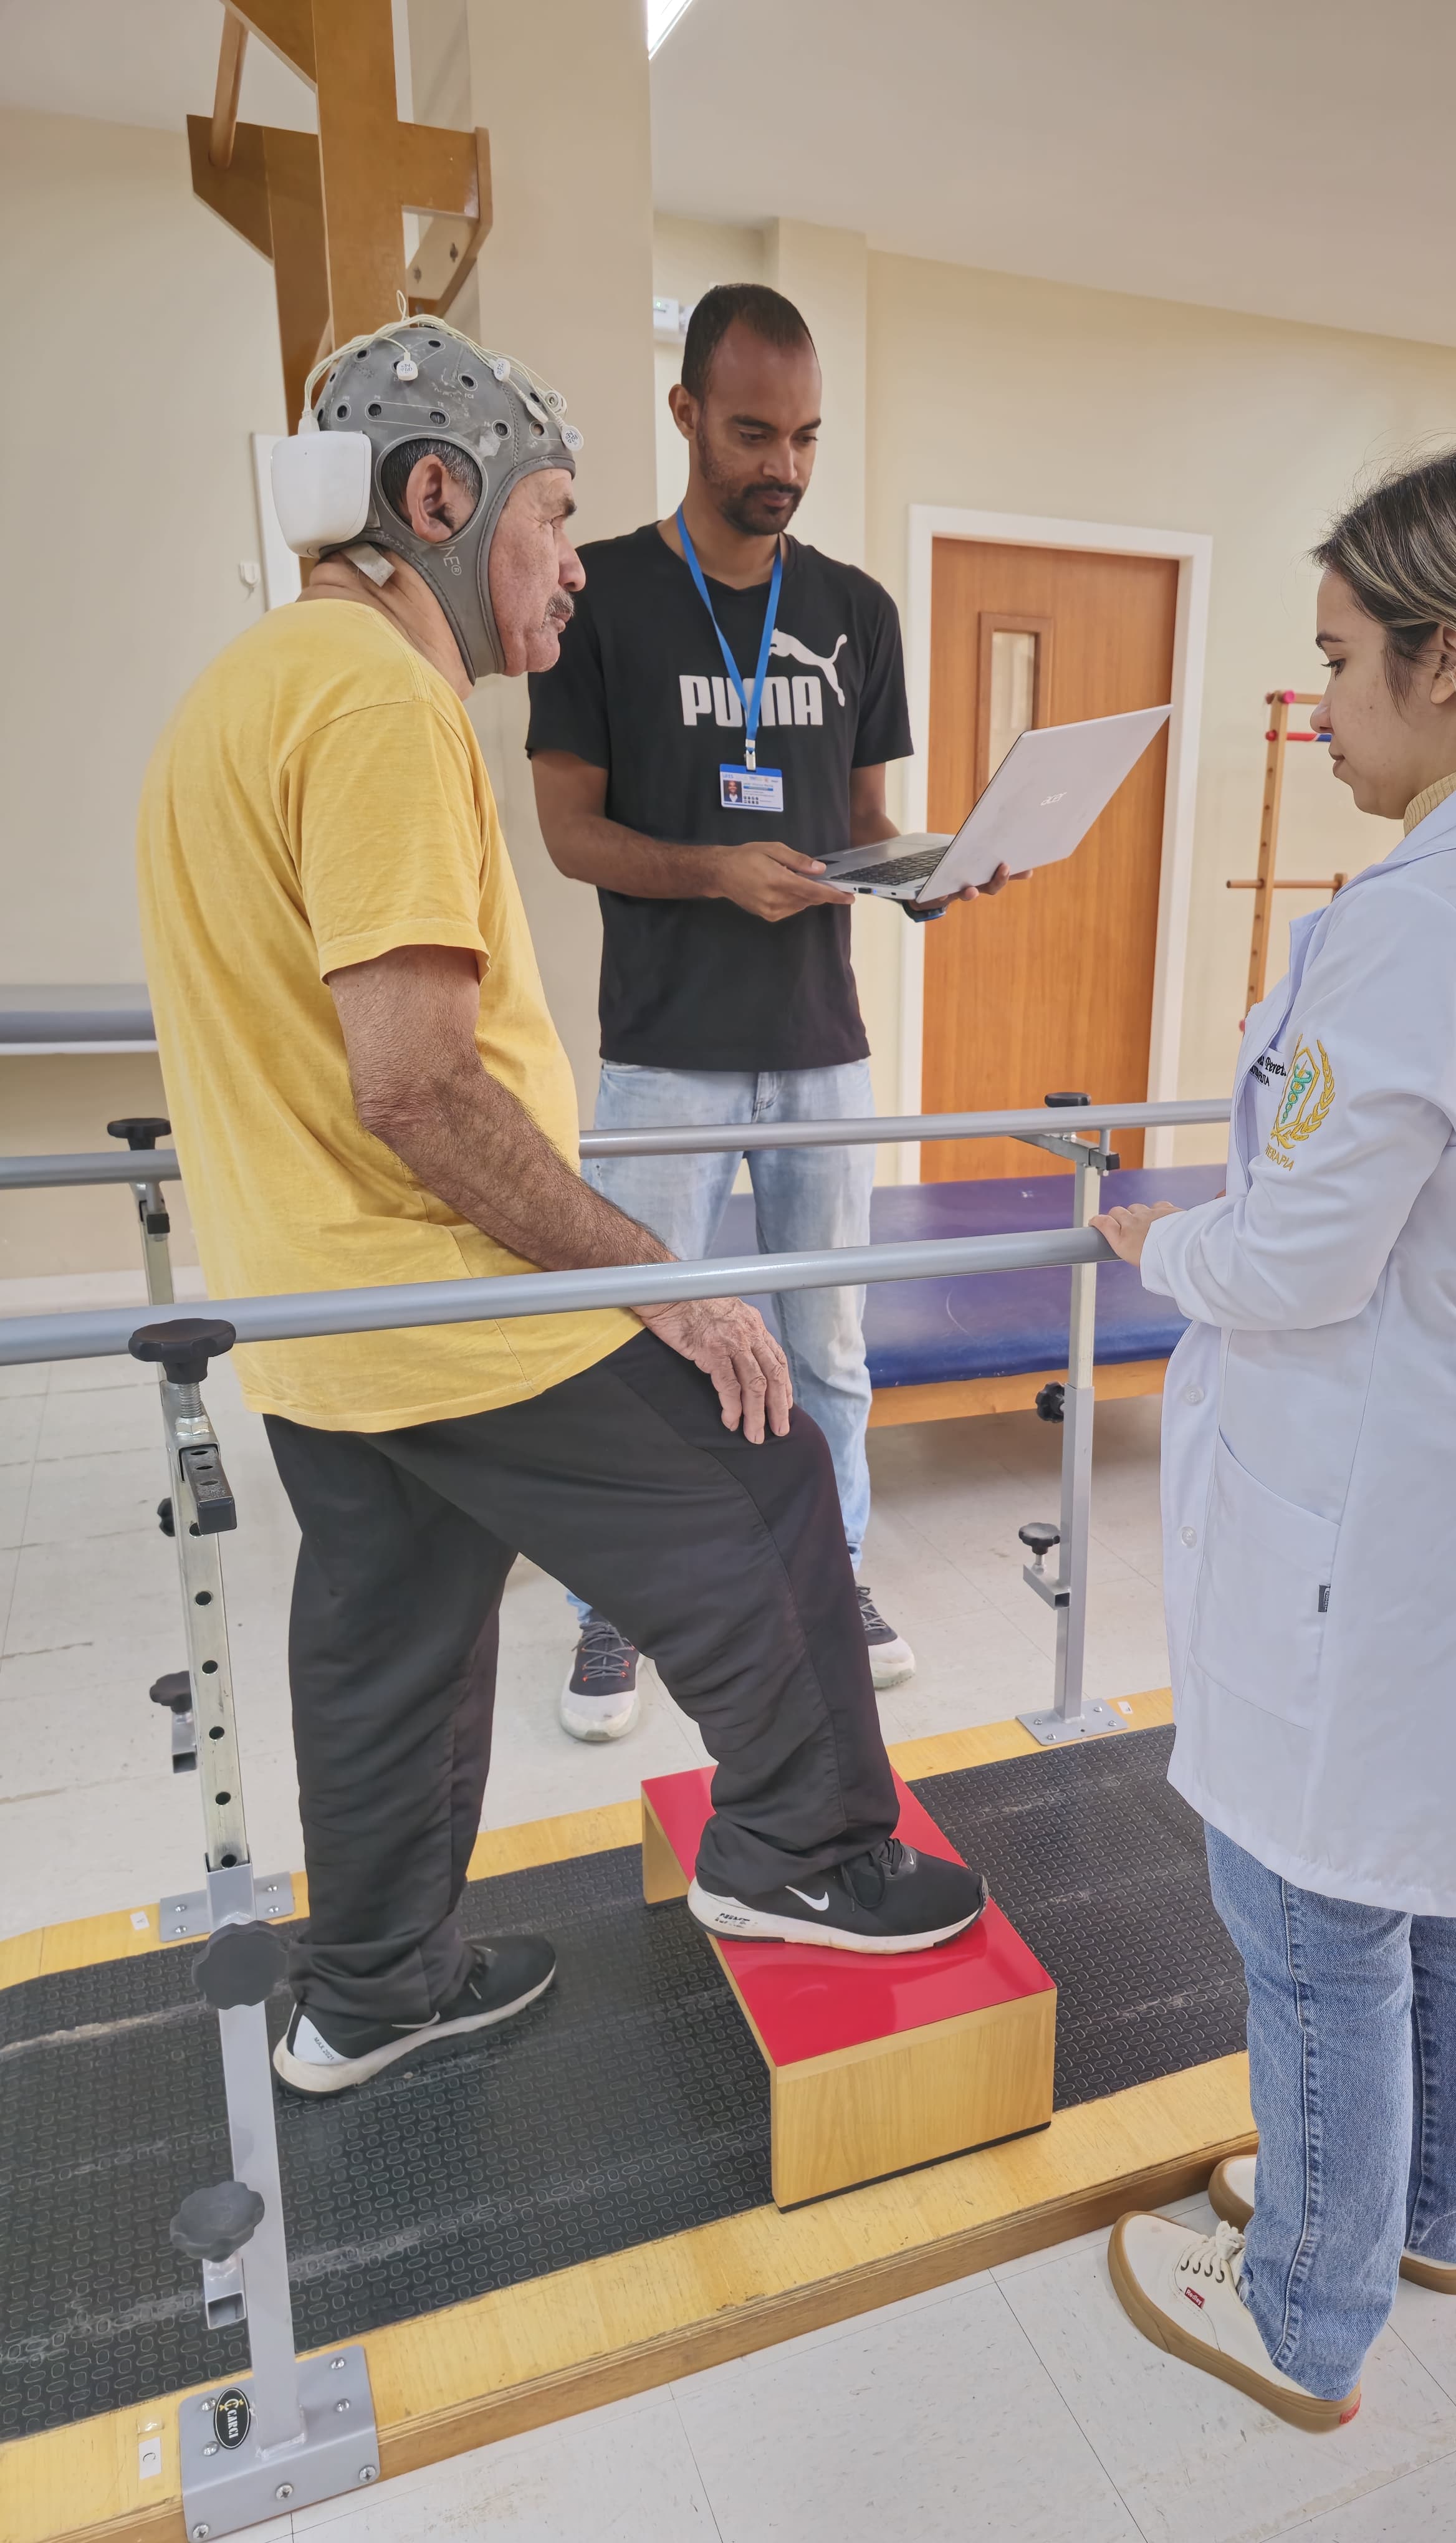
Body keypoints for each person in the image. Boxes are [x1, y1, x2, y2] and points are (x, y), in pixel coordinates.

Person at [135, 318, 986, 2101]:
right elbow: (420, 1084)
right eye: (549, 520)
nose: (567, 572)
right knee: (754, 1459)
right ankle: (800, 1853)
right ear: (440, 498)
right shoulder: (378, 698)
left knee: (400, 1635)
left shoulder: (247, 683)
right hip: (438, 1290)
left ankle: (371, 1992)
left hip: (315, 1316)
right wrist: (652, 1277)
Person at [1091, 444, 1456, 2430]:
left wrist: (1159, 1239)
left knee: (1311, 1902)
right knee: (1450, 1878)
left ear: (1440, 663)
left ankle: (1306, 2314)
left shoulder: (1422, 922)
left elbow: (1305, 1261)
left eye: (1338, 660)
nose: (1320, 703)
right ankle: (1433, 2211)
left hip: (1385, 1483)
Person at [528, 283, 1019, 1742]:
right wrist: (708, 876)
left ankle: (833, 1573)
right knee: (640, 1344)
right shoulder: (601, 595)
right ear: (686, 415)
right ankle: (615, 1608)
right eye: (754, 432)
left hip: (820, 1048)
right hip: (665, 1048)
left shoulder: (856, 611)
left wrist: (929, 875)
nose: (784, 466)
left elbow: (865, 822)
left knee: (830, 1349)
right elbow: (568, 831)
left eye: (804, 437)